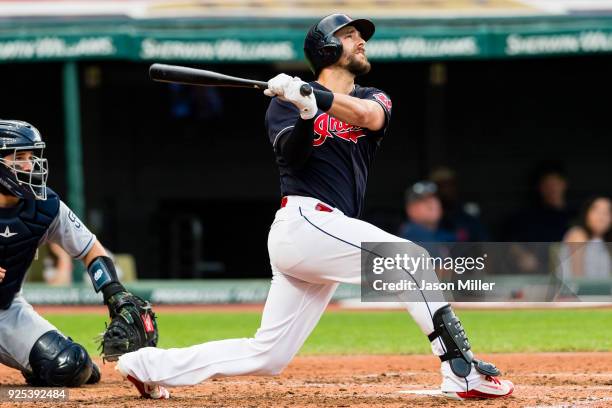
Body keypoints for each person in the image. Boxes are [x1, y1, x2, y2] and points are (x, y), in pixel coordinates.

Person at [116, 14, 513, 400]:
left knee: (268, 355)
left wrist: (314, 98)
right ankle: (461, 370)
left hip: (326, 232)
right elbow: (295, 156)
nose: (361, 42)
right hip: (303, 222)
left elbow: (367, 117)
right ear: (325, 47)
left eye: (361, 36)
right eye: (350, 35)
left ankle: (146, 365)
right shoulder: (283, 104)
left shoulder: (373, 96)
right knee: (410, 259)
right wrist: (305, 112)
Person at [0, 120, 158, 388]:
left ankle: (43, 364)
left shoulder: (44, 207)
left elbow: (91, 250)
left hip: (4, 311)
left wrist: (115, 293)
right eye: (18, 158)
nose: (29, 166)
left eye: (30, 157)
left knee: (69, 366)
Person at [559, 196, 612, 280]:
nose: (602, 217)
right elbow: (578, 278)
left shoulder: (605, 243)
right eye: (597, 211)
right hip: (578, 291)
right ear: (586, 213)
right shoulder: (578, 234)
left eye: (607, 213)